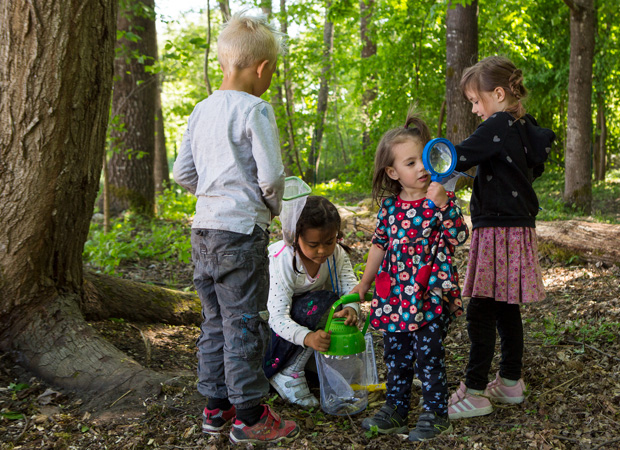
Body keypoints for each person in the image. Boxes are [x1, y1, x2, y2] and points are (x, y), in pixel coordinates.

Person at [173, 12, 298, 445]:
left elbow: (182, 173)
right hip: (240, 233)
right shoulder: (255, 109)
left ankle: (216, 406)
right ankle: (249, 415)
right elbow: (272, 176)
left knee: (214, 321)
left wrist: (211, 195)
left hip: (203, 231)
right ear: (262, 68)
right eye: (272, 72)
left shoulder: (201, 110)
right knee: (244, 323)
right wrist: (270, 208)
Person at [446, 56, 556, 419]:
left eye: (475, 101)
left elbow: (458, 157)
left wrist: (428, 162)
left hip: (496, 229)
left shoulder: (497, 125)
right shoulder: (525, 126)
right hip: (517, 226)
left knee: (480, 308)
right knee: (506, 304)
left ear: (497, 94)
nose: (474, 110)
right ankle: (510, 381)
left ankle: (475, 390)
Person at [352, 113, 469, 441]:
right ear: (393, 172)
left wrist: (444, 205)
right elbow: (379, 245)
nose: (421, 168)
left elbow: (459, 237)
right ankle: (396, 409)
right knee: (396, 353)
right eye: (410, 162)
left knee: (428, 353)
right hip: (394, 296)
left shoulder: (439, 200)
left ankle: (436, 412)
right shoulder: (390, 208)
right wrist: (364, 283)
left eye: (423, 159)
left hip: (429, 293)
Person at [263, 195, 360, 409]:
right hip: (271, 330)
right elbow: (276, 317)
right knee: (325, 302)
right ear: (295, 236)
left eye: (329, 242)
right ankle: (288, 372)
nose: (322, 250)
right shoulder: (283, 260)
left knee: (335, 304)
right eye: (313, 244)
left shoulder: (336, 254)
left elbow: (349, 287)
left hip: (301, 317)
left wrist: (351, 307)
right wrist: (308, 338)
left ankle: (309, 361)